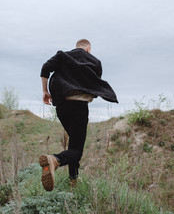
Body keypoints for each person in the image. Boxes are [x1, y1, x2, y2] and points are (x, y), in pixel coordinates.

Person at [39, 39, 118, 191]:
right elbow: (95, 82)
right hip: (79, 107)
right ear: (88, 49)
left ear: (76, 47)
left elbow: (45, 68)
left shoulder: (63, 56)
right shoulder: (95, 61)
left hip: (61, 107)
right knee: (76, 150)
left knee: (73, 143)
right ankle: (54, 159)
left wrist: (45, 91)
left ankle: (73, 179)